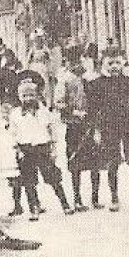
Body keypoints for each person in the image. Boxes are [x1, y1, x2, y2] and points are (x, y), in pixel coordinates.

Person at [87, 45, 129, 211]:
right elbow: (93, 111)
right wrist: (96, 130)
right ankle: (114, 198)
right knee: (112, 162)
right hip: (109, 128)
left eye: (117, 62)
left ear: (123, 63)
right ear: (103, 64)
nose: (114, 66)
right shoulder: (96, 85)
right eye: (110, 63)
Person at [6, 75, 73, 221]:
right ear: (20, 97)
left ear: (37, 96)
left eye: (31, 95)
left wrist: (53, 149)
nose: (28, 99)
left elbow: (52, 130)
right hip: (25, 149)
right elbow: (13, 134)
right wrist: (18, 150)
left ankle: (65, 204)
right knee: (29, 182)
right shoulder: (16, 114)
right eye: (24, 96)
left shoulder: (43, 112)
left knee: (53, 177)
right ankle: (34, 208)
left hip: (42, 148)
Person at [56, 44, 100, 210]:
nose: (75, 64)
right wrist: (73, 112)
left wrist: (95, 115)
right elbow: (59, 102)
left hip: (90, 124)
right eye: (71, 60)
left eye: (78, 59)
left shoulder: (90, 77)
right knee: (75, 163)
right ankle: (77, 198)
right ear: (67, 61)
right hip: (74, 126)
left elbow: (97, 98)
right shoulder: (65, 79)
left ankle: (95, 198)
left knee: (95, 162)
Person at [25, 29, 62, 106]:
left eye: (39, 39)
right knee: (35, 85)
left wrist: (50, 69)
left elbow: (50, 59)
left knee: (45, 85)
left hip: (43, 69)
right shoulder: (32, 50)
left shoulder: (45, 49)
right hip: (34, 68)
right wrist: (28, 71)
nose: (37, 41)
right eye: (36, 40)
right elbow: (28, 61)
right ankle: (36, 101)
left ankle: (46, 102)